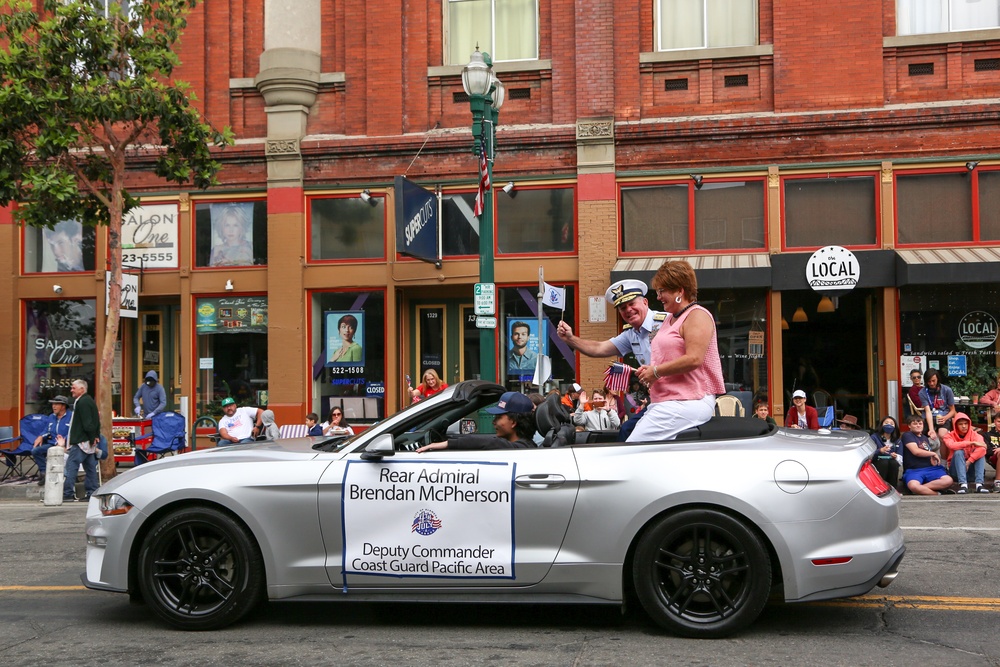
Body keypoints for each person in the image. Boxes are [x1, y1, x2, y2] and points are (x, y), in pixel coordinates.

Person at [556, 279, 667, 440]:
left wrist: (657, 373)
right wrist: (570, 339)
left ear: (645, 302)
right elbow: (598, 348)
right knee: (627, 431)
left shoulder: (667, 322)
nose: (628, 310)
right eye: (622, 308)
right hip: (658, 400)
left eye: (631, 304)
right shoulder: (631, 333)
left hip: (680, 398)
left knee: (637, 435)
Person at [629, 260, 725, 442]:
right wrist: (650, 369)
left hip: (690, 401)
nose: (658, 297)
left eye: (662, 291)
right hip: (668, 402)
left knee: (633, 447)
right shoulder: (670, 319)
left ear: (680, 291)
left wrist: (656, 372)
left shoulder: (697, 315)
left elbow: (694, 359)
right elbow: (670, 358)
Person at [417, 392, 536, 451]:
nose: (494, 422)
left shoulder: (523, 448)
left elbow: (491, 443)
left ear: (513, 422)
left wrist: (447, 444)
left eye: (499, 417)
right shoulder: (517, 445)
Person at [62, 379, 100, 502]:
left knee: (71, 465)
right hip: (88, 440)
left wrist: (91, 437)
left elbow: (87, 423)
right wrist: (95, 436)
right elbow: (96, 421)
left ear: (82, 389)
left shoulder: (83, 402)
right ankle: (92, 492)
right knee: (90, 468)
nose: (71, 390)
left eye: (74, 388)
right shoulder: (88, 401)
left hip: (81, 441)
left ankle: (68, 493)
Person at [901, 414, 954, 495]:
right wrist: (933, 453)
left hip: (930, 469)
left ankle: (922, 489)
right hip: (914, 470)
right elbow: (916, 451)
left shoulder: (924, 438)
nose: (918, 425)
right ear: (909, 426)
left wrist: (931, 458)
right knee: (914, 486)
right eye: (915, 424)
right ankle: (937, 493)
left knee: (948, 480)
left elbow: (926, 451)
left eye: (920, 423)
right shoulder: (907, 435)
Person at [941, 413, 988, 493]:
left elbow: (983, 449)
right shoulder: (949, 436)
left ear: (969, 424)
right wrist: (971, 443)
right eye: (960, 424)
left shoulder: (975, 435)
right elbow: (952, 445)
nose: (963, 426)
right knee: (958, 452)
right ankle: (963, 485)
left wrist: (968, 462)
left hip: (971, 471)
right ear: (955, 425)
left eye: (966, 423)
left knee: (981, 454)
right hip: (956, 472)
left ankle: (979, 485)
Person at [31, 395, 72, 487]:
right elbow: (47, 430)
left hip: (66, 445)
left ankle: (62, 477)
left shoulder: (71, 416)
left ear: (63, 406)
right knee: (35, 450)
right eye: (53, 404)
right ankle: (45, 473)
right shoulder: (51, 417)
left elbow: (72, 432)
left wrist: (63, 442)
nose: (53, 406)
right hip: (52, 444)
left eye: (56, 404)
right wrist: (41, 436)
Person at [919, 368, 956, 442]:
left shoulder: (947, 390)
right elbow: (928, 411)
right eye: (929, 381)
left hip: (943, 416)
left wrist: (945, 418)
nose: (931, 383)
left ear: (938, 379)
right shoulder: (922, 392)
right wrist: (931, 429)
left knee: (942, 436)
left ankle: (944, 453)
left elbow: (952, 411)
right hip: (929, 417)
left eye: (933, 381)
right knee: (920, 435)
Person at [870, 416, 902, 487]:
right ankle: (880, 487)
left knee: (894, 463)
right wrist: (880, 451)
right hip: (877, 462)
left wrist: (896, 456)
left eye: (891, 424)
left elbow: (900, 457)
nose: (889, 425)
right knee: (883, 463)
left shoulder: (897, 440)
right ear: (881, 425)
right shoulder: (874, 437)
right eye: (886, 423)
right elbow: (869, 454)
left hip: (891, 462)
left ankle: (893, 488)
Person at [984, 412, 1000, 492]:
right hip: (994, 458)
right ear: (994, 422)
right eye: (999, 422)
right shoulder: (987, 435)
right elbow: (988, 451)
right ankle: (997, 482)